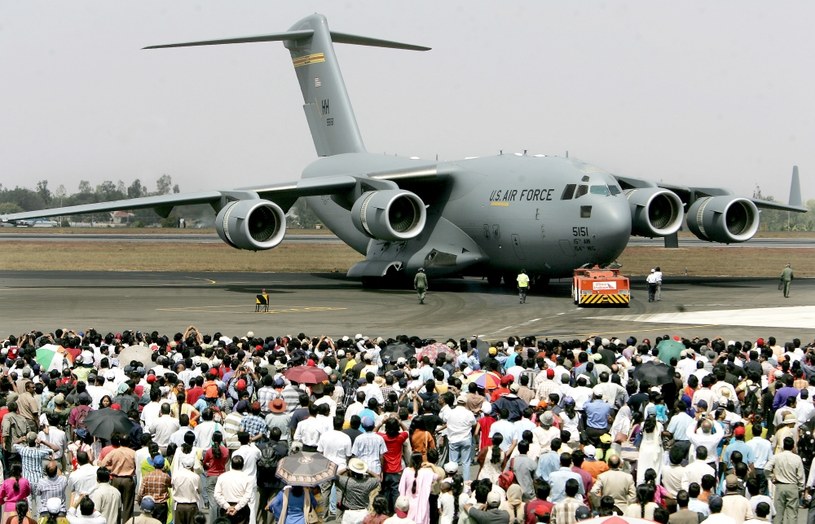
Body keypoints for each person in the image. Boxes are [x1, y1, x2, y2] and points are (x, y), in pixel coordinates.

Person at [764, 436, 804, 524]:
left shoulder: (777, 457)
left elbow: (766, 468)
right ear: (793, 446)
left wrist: (771, 477)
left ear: (783, 446)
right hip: (793, 486)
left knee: (778, 514)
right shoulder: (797, 458)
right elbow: (801, 477)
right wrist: (801, 489)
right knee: (792, 514)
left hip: (780, 486)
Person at [335, 458, 379, 524]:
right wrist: (368, 471)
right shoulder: (368, 482)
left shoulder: (346, 481)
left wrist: (346, 469)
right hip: (363, 513)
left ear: (351, 471)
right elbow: (378, 479)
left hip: (349, 513)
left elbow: (335, 476)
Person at [398, 453, 438, 524]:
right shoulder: (426, 472)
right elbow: (439, 476)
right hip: (422, 506)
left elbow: (401, 489)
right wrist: (431, 465)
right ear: (421, 461)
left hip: (408, 505)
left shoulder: (406, 471)